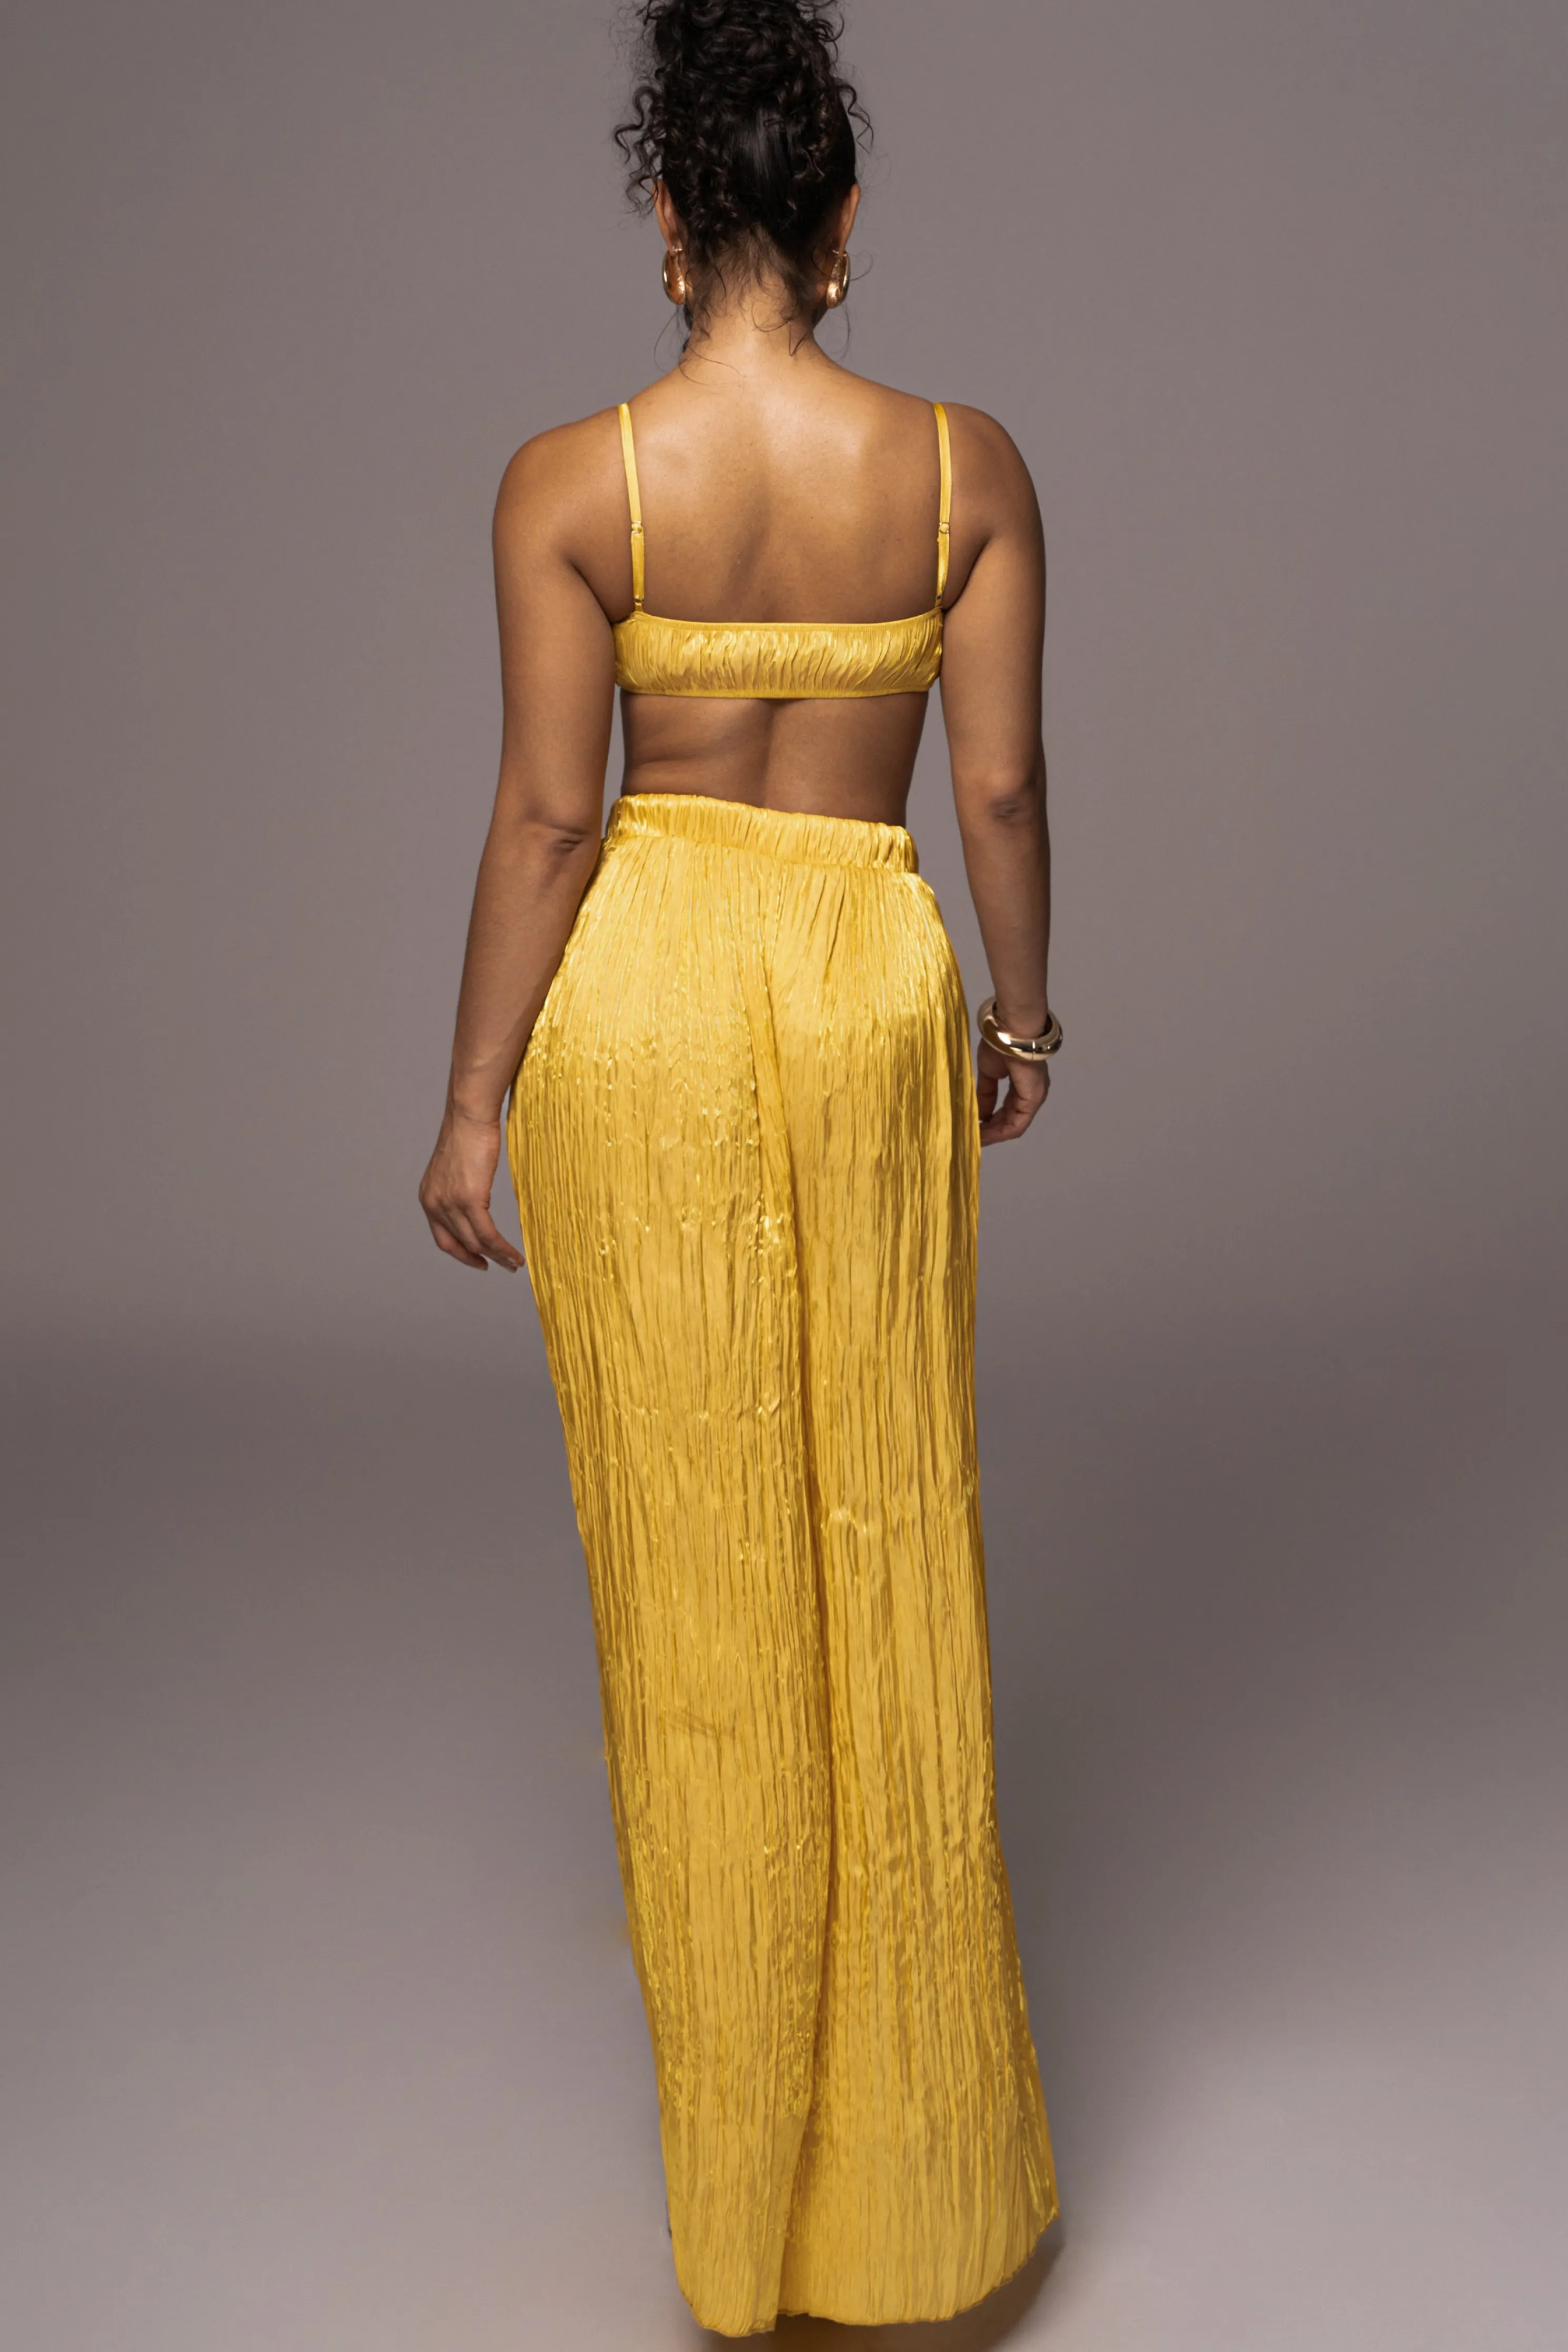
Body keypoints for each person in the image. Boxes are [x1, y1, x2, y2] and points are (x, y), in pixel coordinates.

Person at [418, 0, 1060, 2331]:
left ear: (672, 221)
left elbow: (550, 817)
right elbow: (996, 790)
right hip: (864, 981)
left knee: (699, 1592)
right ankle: (914, 2213)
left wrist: (472, 1099)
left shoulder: (572, 482)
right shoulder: (961, 465)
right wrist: (1017, 1019)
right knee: (881, 1543)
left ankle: (745, 2224)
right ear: (847, 218)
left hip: (653, 1011)